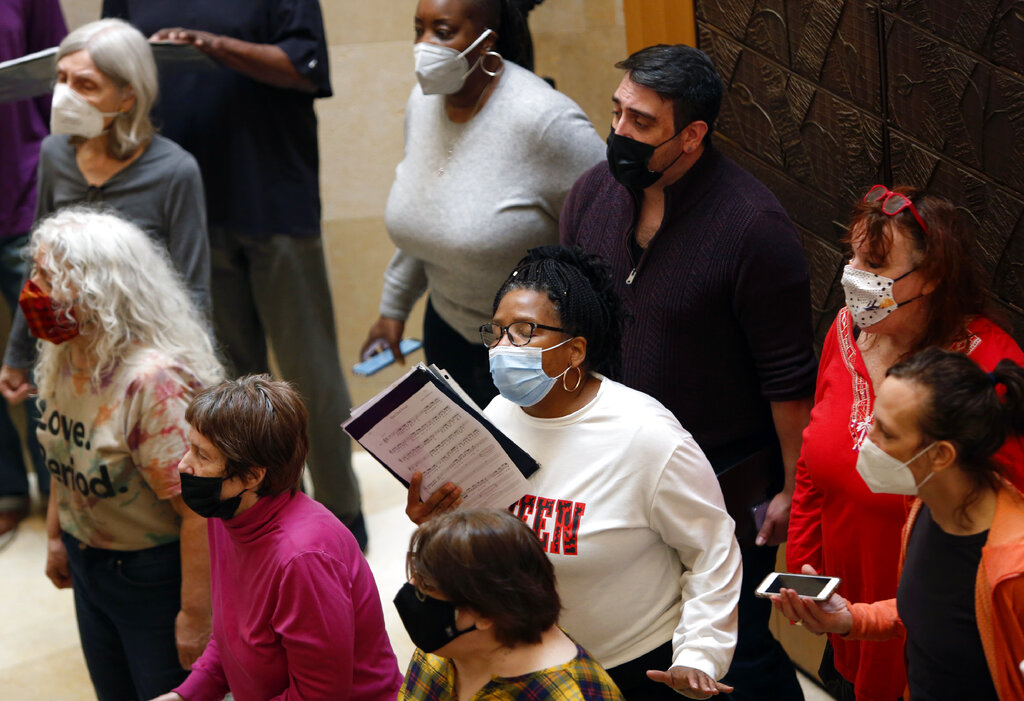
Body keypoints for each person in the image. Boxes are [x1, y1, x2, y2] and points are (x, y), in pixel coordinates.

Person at [559, 45, 817, 700]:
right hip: (617, 465)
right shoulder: (593, 194)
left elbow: (787, 380)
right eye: (617, 112)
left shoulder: (754, 229)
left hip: (721, 480)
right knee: (648, 634)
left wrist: (793, 490)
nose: (619, 132)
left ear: (692, 135)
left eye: (641, 123)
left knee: (739, 645)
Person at [409, 246, 742, 700]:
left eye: (525, 331)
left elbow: (712, 551)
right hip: (533, 669)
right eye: (499, 332)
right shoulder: (498, 414)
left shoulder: (647, 437)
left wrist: (699, 654)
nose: (505, 347)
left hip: (635, 670)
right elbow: (491, 543)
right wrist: (440, 520)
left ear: (575, 351)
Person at [100, 0, 367, 549]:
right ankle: (255, 516)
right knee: (227, 382)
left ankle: (341, 515)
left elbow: (304, 66)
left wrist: (213, 49)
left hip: (274, 199)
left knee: (308, 372)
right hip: (189, 211)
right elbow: (116, 67)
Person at [786, 186, 1024, 700]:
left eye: (873, 262)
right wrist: (806, 573)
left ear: (932, 275)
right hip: (853, 620)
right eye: (852, 254)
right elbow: (813, 459)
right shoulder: (848, 328)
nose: (853, 273)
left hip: (947, 650)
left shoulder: (986, 376)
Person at [361, 0, 605, 409]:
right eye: (418, 29)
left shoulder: (546, 121)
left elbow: (611, 230)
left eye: (442, 32)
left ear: (485, 41)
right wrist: (393, 309)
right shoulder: (423, 102)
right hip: (448, 333)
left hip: (531, 352)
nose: (423, 45)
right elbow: (427, 216)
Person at [31, 207, 222, 700]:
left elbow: (199, 511)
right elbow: (65, 453)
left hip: (149, 574)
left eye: (46, 275)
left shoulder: (152, 383)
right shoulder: (66, 354)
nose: (32, 288)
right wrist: (57, 535)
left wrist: (197, 615)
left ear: (96, 288)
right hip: (88, 556)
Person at [775, 347, 1024, 700]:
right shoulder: (925, 505)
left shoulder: (1015, 569)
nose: (866, 440)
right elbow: (931, 612)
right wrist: (850, 619)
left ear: (940, 455)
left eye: (887, 433)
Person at [1, 17, 211, 430]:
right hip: (68, 363)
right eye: (61, 79)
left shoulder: (176, 170)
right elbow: (37, 271)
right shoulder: (53, 155)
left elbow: (194, 289)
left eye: (85, 84)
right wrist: (17, 356)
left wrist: (192, 380)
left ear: (128, 96)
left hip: (145, 372)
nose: (64, 95)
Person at [152, 376, 402, 701]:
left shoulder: (304, 560)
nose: (184, 464)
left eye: (202, 455)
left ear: (252, 476)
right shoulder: (229, 515)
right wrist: (184, 696)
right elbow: (233, 637)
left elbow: (319, 696)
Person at [397, 508, 624, 700]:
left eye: (427, 585)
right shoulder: (449, 648)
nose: (412, 586)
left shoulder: (563, 693)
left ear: (485, 612)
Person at [0, 0, 66, 538]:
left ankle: (63, 492)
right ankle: (6, 487)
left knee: (49, 352)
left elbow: (56, 71)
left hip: (21, 193)